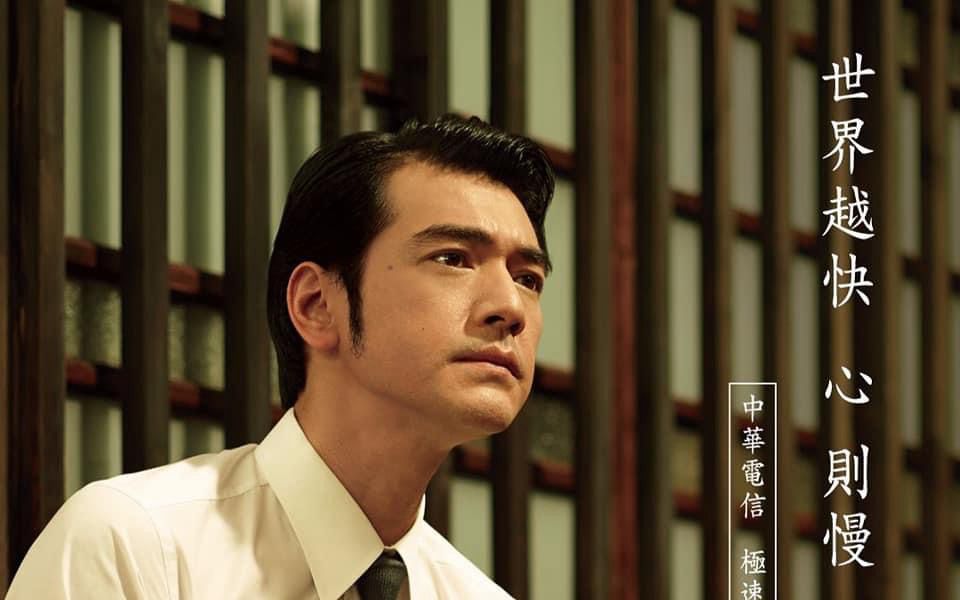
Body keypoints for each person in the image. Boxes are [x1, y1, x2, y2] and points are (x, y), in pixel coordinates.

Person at [7, 115, 554, 599]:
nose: (510, 307)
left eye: (527, 278)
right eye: (453, 258)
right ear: (317, 305)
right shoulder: (137, 548)